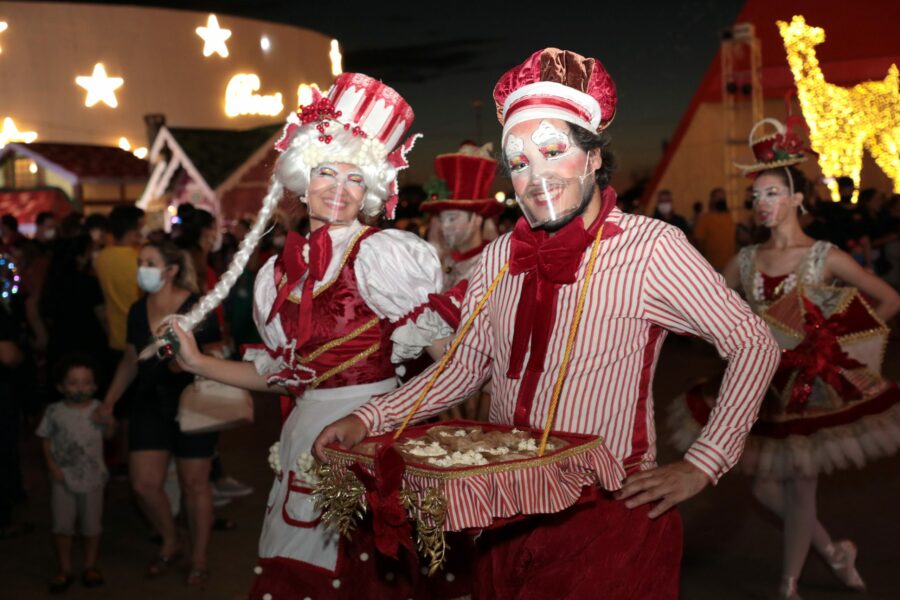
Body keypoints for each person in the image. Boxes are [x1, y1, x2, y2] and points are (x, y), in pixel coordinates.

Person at [314, 48, 781, 599]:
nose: (535, 177)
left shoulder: (651, 247)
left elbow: (754, 344)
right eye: (518, 163)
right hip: (502, 517)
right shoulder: (498, 257)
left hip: (607, 517)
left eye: (553, 151)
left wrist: (703, 462)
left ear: (592, 157)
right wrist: (368, 418)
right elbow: (462, 370)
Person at [166, 73, 467, 599]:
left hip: (372, 436)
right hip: (302, 434)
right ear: (303, 182)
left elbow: (448, 362)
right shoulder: (277, 275)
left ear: (370, 191)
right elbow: (283, 377)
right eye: (327, 172)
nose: (340, 188)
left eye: (356, 178)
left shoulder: (383, 255)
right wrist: (195, 362)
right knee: (296, 570)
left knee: (359, 579)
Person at [670, 119, 900, 599]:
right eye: (756, 196)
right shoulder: (746, 260)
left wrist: (841, 343)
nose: (762, 203)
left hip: (812, 390)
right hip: (760, 390)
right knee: (765, 489)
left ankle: (788, 586)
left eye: (772, 193)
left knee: (800, 489)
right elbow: (705, 310)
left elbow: (888, 298)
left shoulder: (823, 256)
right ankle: (834, 552)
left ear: (797, 198)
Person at [98, 240, 221, 586]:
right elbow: (130, 358)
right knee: (143, 483)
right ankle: (171, 539)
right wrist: (110, 400)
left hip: (194, 403)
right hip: (149, 402)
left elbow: (217, 351)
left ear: (171, 270)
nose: (142, 269)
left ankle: (199, 557)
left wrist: (192, 363)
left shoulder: (197, 306)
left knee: (194, 484)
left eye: (150, 263)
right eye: (141, 262)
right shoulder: (139, 310)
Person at [37, 355, 115, 593]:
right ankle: (65, 568)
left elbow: (110, 435)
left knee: (92, 526)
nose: (80, 388)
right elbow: (45, 439)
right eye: (72, 382)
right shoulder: (54, 411)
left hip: (93, 479)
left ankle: (90, 566)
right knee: (62, 526)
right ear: (60, 386)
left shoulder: (97, 409)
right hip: (62, 478)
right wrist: (52, 466)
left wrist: (109, 420)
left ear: (95, 385)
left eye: (86, 382)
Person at [422, 142, 504, 290]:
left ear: (477, 219)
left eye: (452, 218)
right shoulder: (446, 261)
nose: (445, 226)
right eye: (441, 219)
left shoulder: (492, 267)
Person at [693, 187, 736, 270]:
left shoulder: (729, 217)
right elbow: (698, 242)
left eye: (723, 198)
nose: (721, 200)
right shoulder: (704, 219)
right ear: (712, 200)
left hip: (730, 265)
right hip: (712, 266)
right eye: (718, 198)